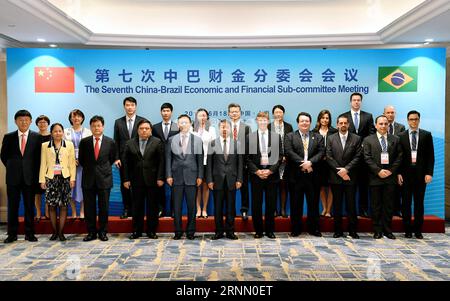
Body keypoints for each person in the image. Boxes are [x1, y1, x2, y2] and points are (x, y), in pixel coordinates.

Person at [1, 110, 42, 243]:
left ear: (30, 121)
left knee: (29, 206)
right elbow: (3, 156)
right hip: (13, 178)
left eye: (26, 120)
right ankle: (12, 234)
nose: (23, 122)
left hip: (30, 178)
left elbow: (38, 158)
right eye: (20, 120)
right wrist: (13, 167)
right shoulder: (9, 137)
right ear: (15, 121)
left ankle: (30, 233)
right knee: (12, 206)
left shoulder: (37, 137)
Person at [79, 116, 119, 242]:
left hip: (104, 179)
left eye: (99, 125)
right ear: (90, 127)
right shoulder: (84, 142)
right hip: (88, 179)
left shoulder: (110, 142)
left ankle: (103, 232)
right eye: (94, 125)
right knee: (89, 208)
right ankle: (91, 232)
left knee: (104, 207)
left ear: (103, 126)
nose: (96, 128)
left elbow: (112, 159)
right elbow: (81, 160)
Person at [123, 119, 165, 240]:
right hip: (136, 180)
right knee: (137, 207)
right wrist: (126, 179)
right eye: (141, 128)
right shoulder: (130, 143)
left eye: (147, 128)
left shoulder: (157, 142)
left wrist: (160, 178)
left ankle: (151, 231)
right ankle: (137, 231)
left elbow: (161, 162)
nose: (144, 130)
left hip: (153, 180)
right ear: (137, 130)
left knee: (152, 207)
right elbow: (126, 163)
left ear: (151, 130)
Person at [285, 112, 324, 237]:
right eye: (302, 121)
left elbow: (321, 152)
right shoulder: (290, 136)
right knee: (296, 204)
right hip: (296, 176)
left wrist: (311, 162)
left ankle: (314, 228)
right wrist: (304, 163)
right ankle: (296, 229)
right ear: (298, 123)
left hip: (313, 176)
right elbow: (289, 152)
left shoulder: (317, 137)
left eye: (307, 121)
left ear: (310, 122)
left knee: (313, 204)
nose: (304, 123)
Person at [363, 115, 402, 239]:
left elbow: (399, 156)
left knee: (389, 205)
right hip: (375, 177)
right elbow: (367, 158)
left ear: (388, 125)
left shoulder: (395, 139)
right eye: (381, 124)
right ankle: (377, 230)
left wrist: (391, 171)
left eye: (385, 124)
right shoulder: (368, 140)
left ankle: (387, 230)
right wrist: (378, 171)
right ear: (376, 125)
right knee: (376, 205)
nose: (383, 126)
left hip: (390, 177)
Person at [166, 114, 204, 240]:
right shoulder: (172, 139)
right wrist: (168, 175)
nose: (183, 125)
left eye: (186, 122)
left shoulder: (197, 140)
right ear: (178, 124)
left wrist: (200, 176)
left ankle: (191, 231)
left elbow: (200, 160)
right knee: (176, 206)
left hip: (192, 176)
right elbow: (168, 159)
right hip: (176, 177)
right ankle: (177, 231)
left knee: (191, 206)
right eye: (181, 122)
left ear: (190, 124)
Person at [398, 111, 434, 239]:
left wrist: (429, 173)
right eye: (411, 119)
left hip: (421, 175)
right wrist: (398, 174)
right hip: (406, 176)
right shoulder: (400, 136)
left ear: (419, 120)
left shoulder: (426, 135)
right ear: (407, 120)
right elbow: (398, 158)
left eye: (416, 119)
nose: (413, 121)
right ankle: (407, 230)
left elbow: (430, 156)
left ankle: (418, 230)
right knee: (406, 204)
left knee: (419, 203)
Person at [246, 112, 282, 239]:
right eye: (260, 120)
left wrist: (270, 171)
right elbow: (248, 159)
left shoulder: (276, 137)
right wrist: (257, 171)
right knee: (256, 205)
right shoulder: (250, 137)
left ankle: (270, 230)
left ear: (268, 121)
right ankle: (259, 231)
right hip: (257, 176)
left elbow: (279, 157)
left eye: (264, 120)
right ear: (257, 121)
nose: (262, 122)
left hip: (271, 176)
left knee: (271, 204)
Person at [326, 115, 362, 239]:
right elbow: (329, 157)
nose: (343, 125)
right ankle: (338, 231)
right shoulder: (330, 138)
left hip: (350, 177)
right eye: (340, 123)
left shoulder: (356, 139)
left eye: (345, 123)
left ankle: (352, 231)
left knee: (351, 205)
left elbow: (358, 157)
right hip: (335, 177)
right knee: (337, 205)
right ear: (337, 125)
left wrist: (346, 170)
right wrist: (340, 171)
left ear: (348, 124)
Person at [206, 119, 243, 240]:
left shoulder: (237, 144)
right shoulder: (212, 143)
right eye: (222, 127)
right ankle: (218, 231)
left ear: (230, 129)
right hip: (217, 180)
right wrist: (210, 180)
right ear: (219, 129)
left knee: (231, 207)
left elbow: (240, 164)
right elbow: (209, 163)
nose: (224, 129)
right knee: (218, 208)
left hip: (232, 180)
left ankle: (230, 231)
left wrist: (239, 179)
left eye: (226, 127)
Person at [39, 123, 76, 241]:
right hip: (51, 179)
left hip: (65, 178)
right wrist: (42, 180)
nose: (58, 133)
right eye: (55, 131)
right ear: (51, 133)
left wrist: (72, 178)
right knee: (52, 206)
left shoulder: (69, 145)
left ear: (63, 132)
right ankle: (54, 232)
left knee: (64, 206)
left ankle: (61, 232)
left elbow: (72, 164)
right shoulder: (45, 146)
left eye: (60, 131)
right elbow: (43, 163)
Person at [341, 92, 375, 217]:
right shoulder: (343, 116)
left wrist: (363, 145)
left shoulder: (368, 116)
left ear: (361, 101)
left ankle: (363, 209)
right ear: (350, 102)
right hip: (348, 158)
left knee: (363, 185)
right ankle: (347, 210)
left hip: (364, 158)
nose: (356, 102)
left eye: (358, 100)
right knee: (347, 185)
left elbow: (371, 134)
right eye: (354, 100)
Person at [114, 96, 145, 219]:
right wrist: (116, 158)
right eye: (127, 105)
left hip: (139, 160)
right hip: (123, 160)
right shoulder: (118, 122)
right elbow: (116, 141)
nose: (130, 107)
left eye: (132, 105)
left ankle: (138, 210)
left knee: (139, 186)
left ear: (135, 106)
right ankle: (127, 209)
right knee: (124, 185)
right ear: (124, 106)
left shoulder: (142, 122)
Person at [152, 103, 179, 217]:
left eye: (168, 111)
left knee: (174, 186)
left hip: (173, 161)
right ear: (160, 112)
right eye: (163, 111)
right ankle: (160, 209)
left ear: (171, 112)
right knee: (159, 187)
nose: (165, 113)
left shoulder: (176, 127)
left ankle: (174, 210)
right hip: (158, 161)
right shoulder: (155, 127)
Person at [64, 109, 92, 220]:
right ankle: (74, 212)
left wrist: (82, 159)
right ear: (70, 118)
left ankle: (82, 212)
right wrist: (71, 160)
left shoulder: (88, 132)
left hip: (84, 164)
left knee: (84, 186)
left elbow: (90, 148)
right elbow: (63, 149)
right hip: (70, 164)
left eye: (79, 116)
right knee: (71, 188)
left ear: (82, 118)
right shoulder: (65, 132)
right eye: (74, 116)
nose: (76, 118)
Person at [268, 104, 293, 218]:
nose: (278, 114)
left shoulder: (289, 126)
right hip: (272, 160)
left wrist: (285, 156)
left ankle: (282, 209)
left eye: (280, 112)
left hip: (285, 161)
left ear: (283, 113)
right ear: (273, 114)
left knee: (284, 185)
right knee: (272, 186)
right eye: (276, 112)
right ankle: (272, 209)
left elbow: (291, 143)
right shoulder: (269, 126)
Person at [312, 109, 338, 218]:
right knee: (321, 186)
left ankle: (328, 210)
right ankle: (324, 208)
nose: (325, 120)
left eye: (327, 118)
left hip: (331, 163)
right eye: (323, 118)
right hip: (318, 164)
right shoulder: (314, 131)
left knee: (331, 186)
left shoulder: (334, 131)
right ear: (319, 119)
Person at [228, 103, 252, 221]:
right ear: (228, 113)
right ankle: (230, 211)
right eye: (232, 112)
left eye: (236, 111)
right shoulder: (224, 126)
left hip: (243, 162)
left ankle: (244, 210)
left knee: (244, 188)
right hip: (227, 163)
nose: (234, 113)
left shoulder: (246, 127)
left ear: (240, 113)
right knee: (228, 188)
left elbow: (249, 146)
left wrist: (247, 162)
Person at [193, 108, 217, 218]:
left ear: (207, 117)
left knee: (206, 186)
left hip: (207, 161)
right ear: (196, 117)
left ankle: (204, 209)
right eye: (200, 115)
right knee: (197, 185)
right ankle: (198, 209)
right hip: (195, 162)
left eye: (204, 115)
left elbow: (214, 146)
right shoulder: (191, 129)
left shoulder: (211, 129)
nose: (202, 117)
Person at [383, 105, 406, 217]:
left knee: (398, 189)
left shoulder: (401, 127)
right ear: (384, 114)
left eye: (392, 112)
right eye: (388, 112)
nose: (390, 114)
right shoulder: (380, 126)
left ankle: (397, 210)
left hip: (396, 163)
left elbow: (402, 149)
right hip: (382, 164)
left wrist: (399, 170)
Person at [34, 115, 51, 221]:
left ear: (48, 124)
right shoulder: (33, 136)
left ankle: (48, 213)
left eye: (44, 122)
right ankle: (38, 213)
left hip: (50, 167)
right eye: (40, 122)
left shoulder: (52, 136)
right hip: (36, 167)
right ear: (37, 124)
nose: (42, 124)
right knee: (37, 193)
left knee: (49, 192)